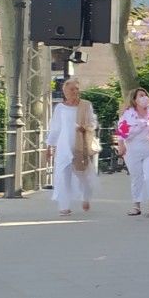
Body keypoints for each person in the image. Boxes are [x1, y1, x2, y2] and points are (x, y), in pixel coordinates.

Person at [114, 86, 149, 217]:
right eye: (140, 95)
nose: (144, 97)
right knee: (136, 177)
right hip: (133, 150)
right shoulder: (128, 114)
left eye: (145, 95)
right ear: (134, 100)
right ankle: (136, 205)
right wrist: (121, 145)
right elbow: (122, 131)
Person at [45, 78, 99, 216]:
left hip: (80, 144)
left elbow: (93, 122)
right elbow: (55, 128)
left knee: (82, 174)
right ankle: (64, 205)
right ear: (65, 91)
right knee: (63, 174)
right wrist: (50, 146)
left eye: (76, 89)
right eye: (71, 89)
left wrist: (84, 127)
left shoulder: (85, 105)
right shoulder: (60, 108)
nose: (75, 91)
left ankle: (86, 197)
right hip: (64, 145)